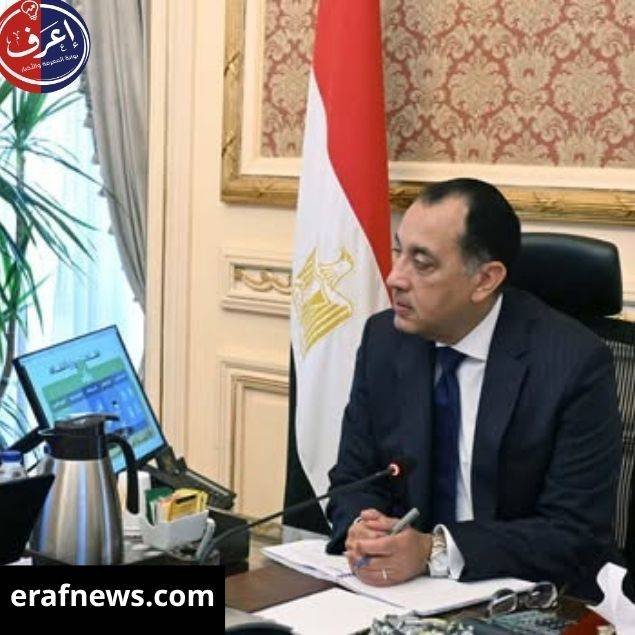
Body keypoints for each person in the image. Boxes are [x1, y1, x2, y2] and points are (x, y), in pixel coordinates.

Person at [325, 178, 621, 597]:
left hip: (526, 598)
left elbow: (574, 531)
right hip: (401, 594)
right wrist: (363, 527)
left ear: (485, 280)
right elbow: (353, 478)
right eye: (398, 251)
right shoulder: (385, 340)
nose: (395, 278)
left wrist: (433, 550)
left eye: (422, 263)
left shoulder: (573, 363)